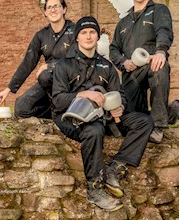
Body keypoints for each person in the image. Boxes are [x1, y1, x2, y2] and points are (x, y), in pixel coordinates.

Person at [52, 16, 154, 212]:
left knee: (143, 122)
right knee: (94, 131)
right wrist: (83, 94)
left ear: (98, 36)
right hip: (72, 117)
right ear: (77, 38)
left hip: (103, 115)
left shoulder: (106, 66)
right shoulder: (64, 65)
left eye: (92, 32)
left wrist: (120, 107)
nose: (88, 36)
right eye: (84, 33)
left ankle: (115, 168)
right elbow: (58, 100)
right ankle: (95, 188)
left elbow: (120, 95)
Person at [109, 0, 179, 144]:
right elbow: (113, 49)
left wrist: (161, 52)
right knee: (132, 117)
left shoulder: (159, 10)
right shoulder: (123, 22)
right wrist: (123, 62)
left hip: (151, 63)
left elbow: (164, 31)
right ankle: (173, 110)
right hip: (131, 73)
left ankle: (159, 126)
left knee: (159, 68)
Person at [0, 0, 75, 118]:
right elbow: (28, 62)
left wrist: (50, 66)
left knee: (44, 75)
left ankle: (63, 109)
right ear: (45, 12)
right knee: (21, 107)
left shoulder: (75, 31)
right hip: (49, 84)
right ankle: (56, 112)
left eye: (56, 6)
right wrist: (8, 89)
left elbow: (77, 59)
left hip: (70, 81)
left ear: (64, 9)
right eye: (49, 7)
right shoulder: (41, 35)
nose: (53, 10)